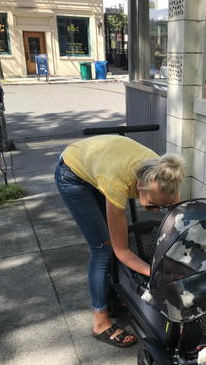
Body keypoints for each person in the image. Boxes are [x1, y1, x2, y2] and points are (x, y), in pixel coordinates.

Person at [54, 134, 185, 347]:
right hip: (71, 173)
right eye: (152, 206)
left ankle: (114, 290)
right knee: (103, 247)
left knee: (110, 236)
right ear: (138, 186)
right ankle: (100, 322)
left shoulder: (166, 174)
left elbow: (178, 220)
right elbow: (121, 250)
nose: (157, 210)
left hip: (103, 159)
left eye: (162, 205)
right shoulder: (116, 183)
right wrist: (157, 273)